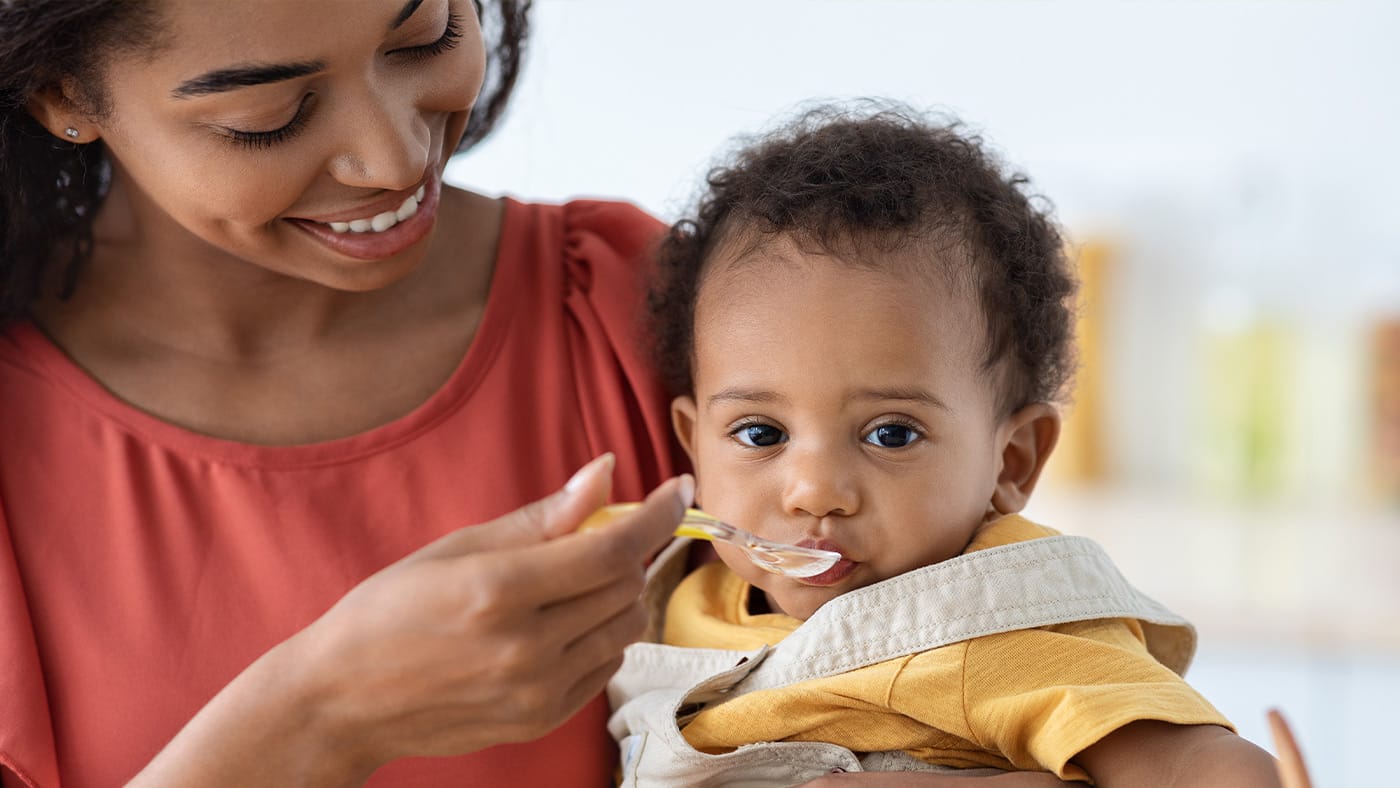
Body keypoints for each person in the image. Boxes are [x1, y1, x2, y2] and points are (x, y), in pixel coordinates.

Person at [0, 1, 700, 785]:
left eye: (428, 37)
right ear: (63, 97)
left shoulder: (638, 310)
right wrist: (317, 719)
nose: (395, 158)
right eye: (267, 117)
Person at [606, 105, 1285, 786]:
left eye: (890, 434)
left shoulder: (992, 630)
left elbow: (1199, 770)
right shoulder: (681, 601)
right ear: (694, 445)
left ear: (1012, 459)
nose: (813, 489)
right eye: (761, 434)